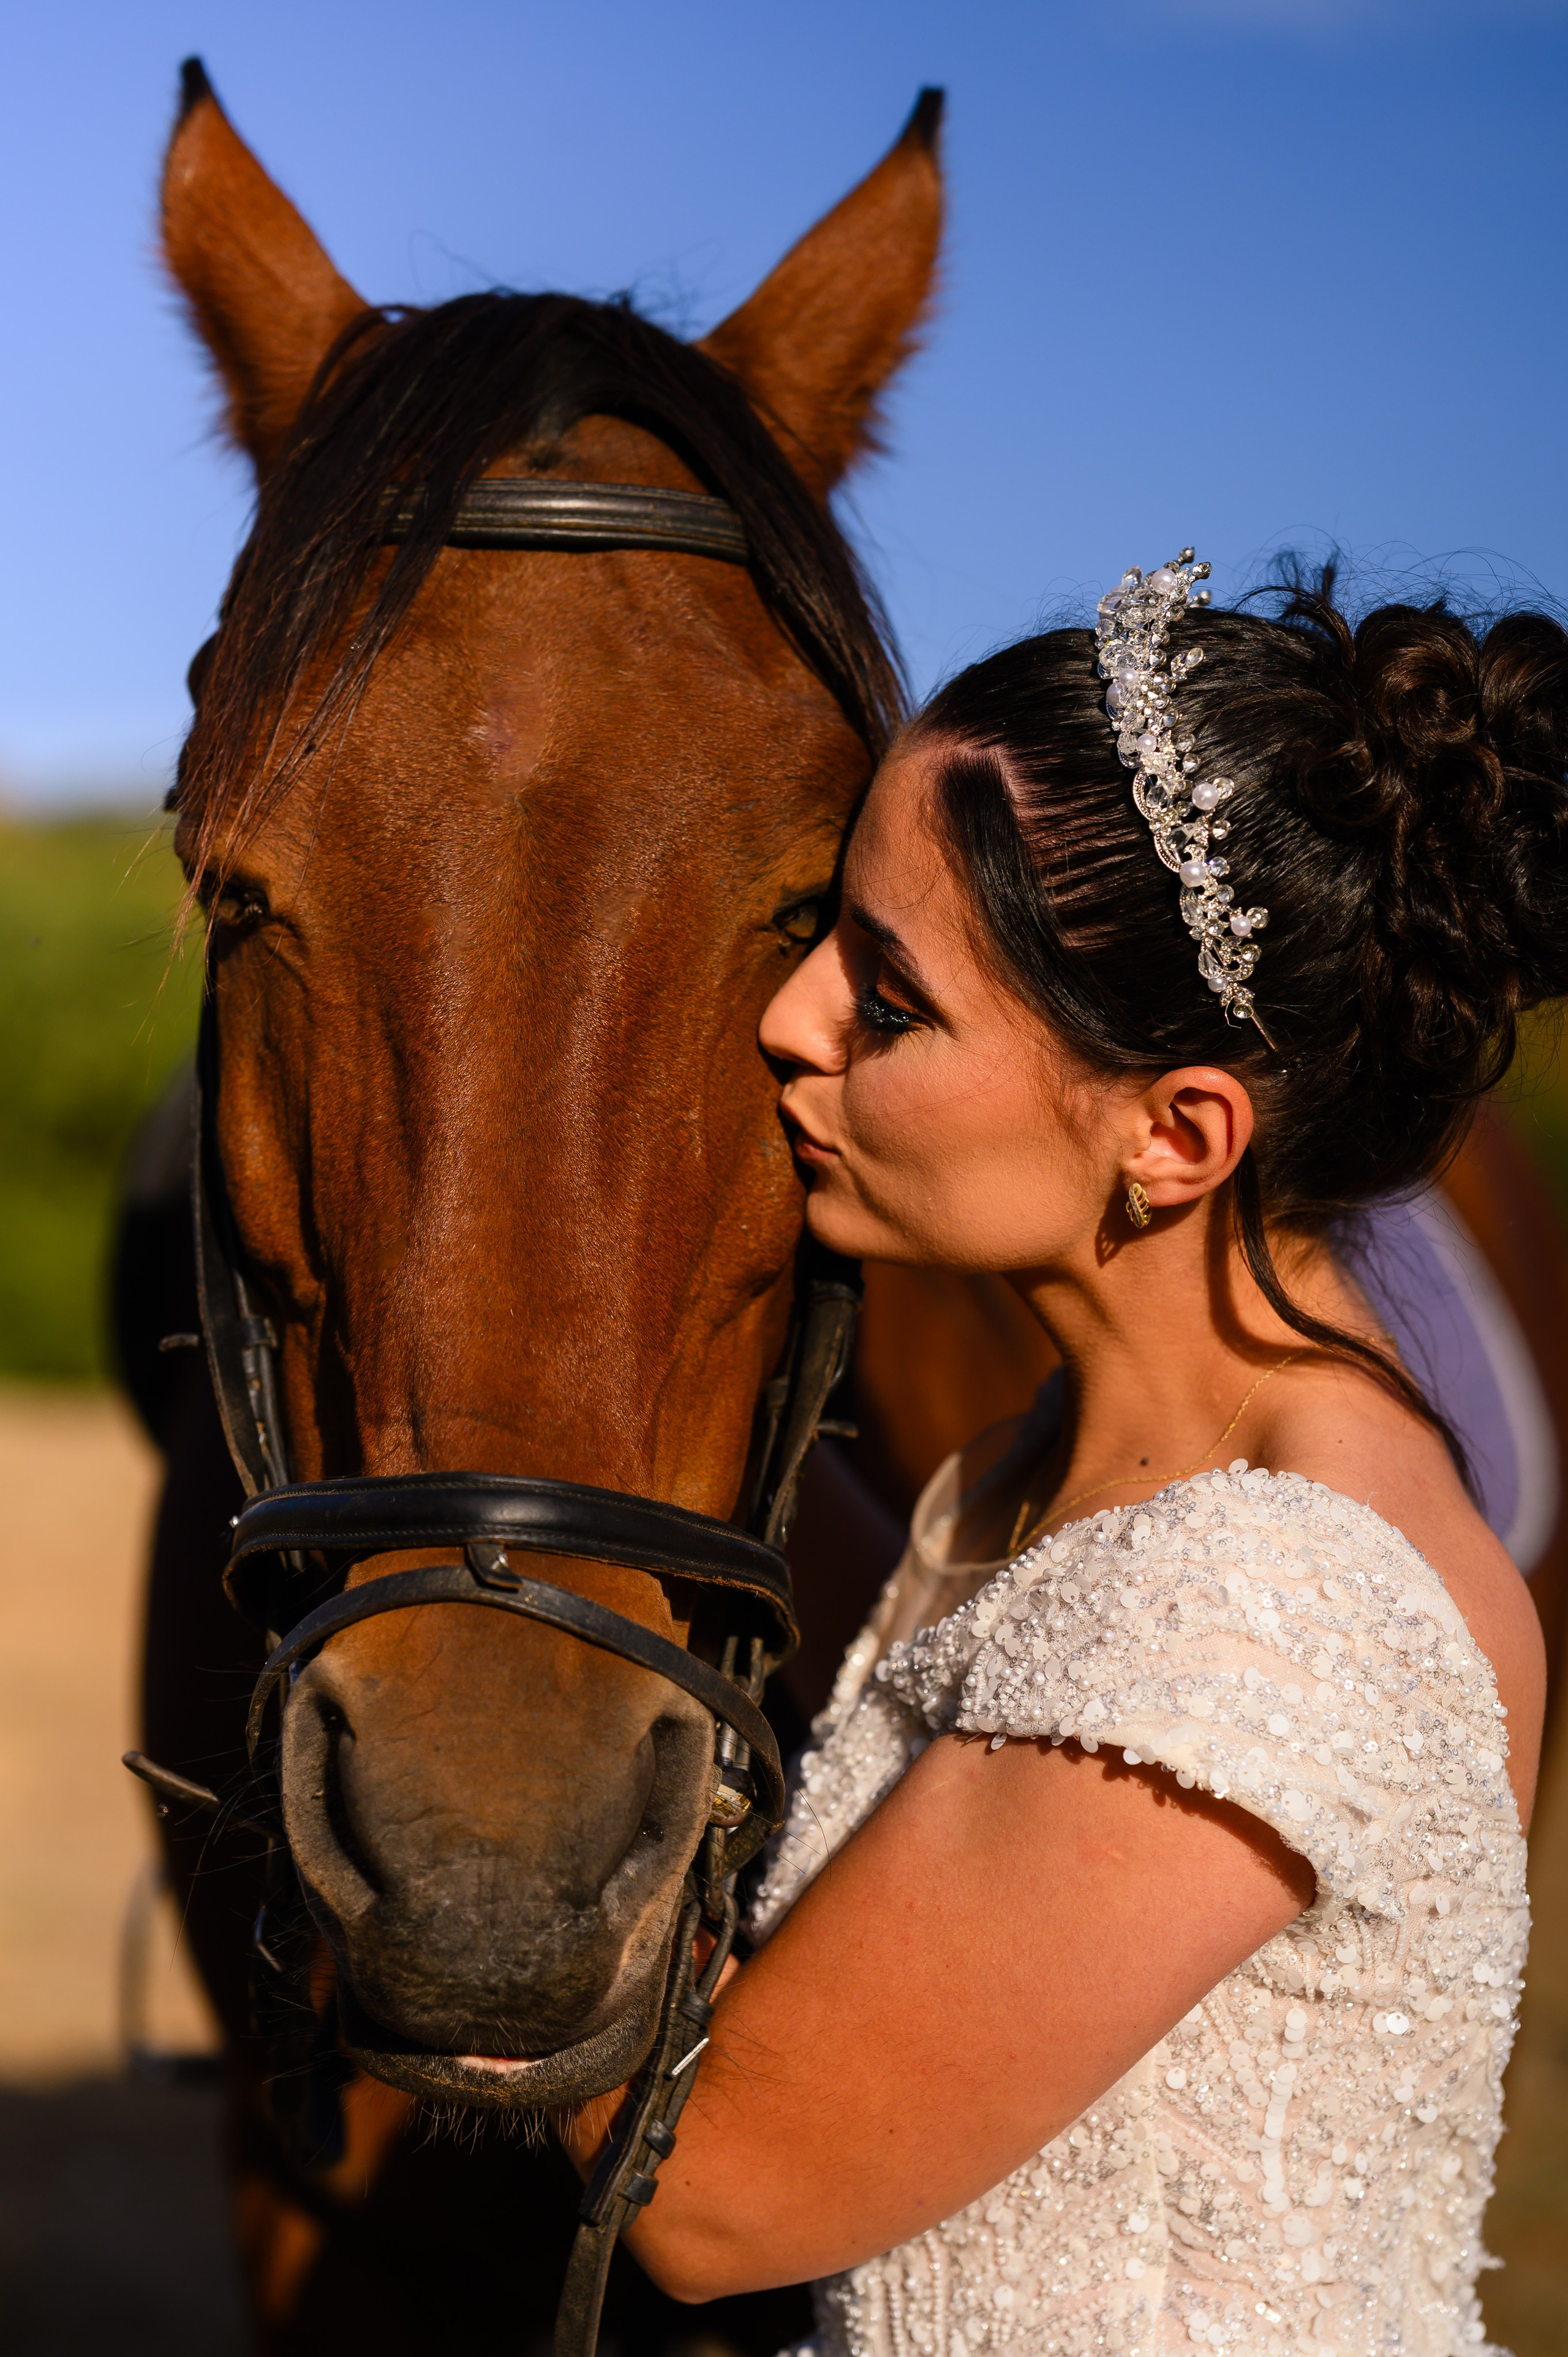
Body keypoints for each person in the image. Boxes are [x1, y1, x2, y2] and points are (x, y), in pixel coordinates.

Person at [566, 555, 1560, 2356]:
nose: (789, 1021)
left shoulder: (1272, 1607)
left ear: (1175, 1136)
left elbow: (713, 2192)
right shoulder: (1063, 1467)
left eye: (890, 1000)